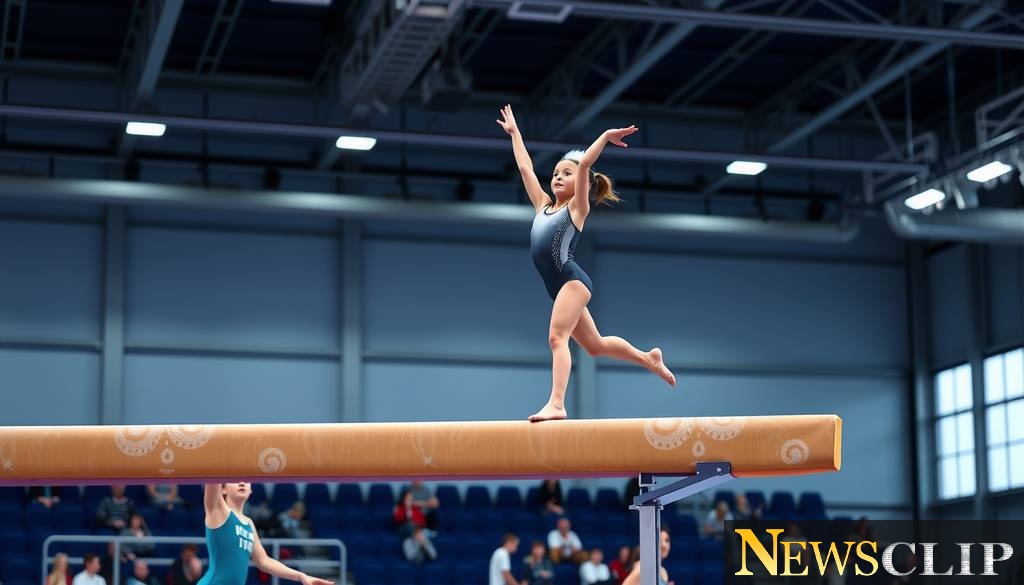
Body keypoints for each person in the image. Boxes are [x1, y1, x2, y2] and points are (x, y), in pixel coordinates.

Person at [496, 104, 676, 422]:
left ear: (583, 185)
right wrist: (516, 134)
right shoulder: (542, 207)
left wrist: (605, 136)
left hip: (571, 281)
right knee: (595, 345)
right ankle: (648, 358)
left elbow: (585, 166)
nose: (558, 178)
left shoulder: (577, 210)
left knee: (556, 337)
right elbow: (525, 168)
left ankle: (556, 403)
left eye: (566, 173)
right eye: (555, 174)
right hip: (561, 287)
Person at [198, 482, 334, 585]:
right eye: (234, 479)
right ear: (223, 488)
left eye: (246, 480)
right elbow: (213, 476)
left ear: (251, 489)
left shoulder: (248, 523)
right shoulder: (218, 511)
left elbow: (263, 560)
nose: (241, 483)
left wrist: (301, 576)